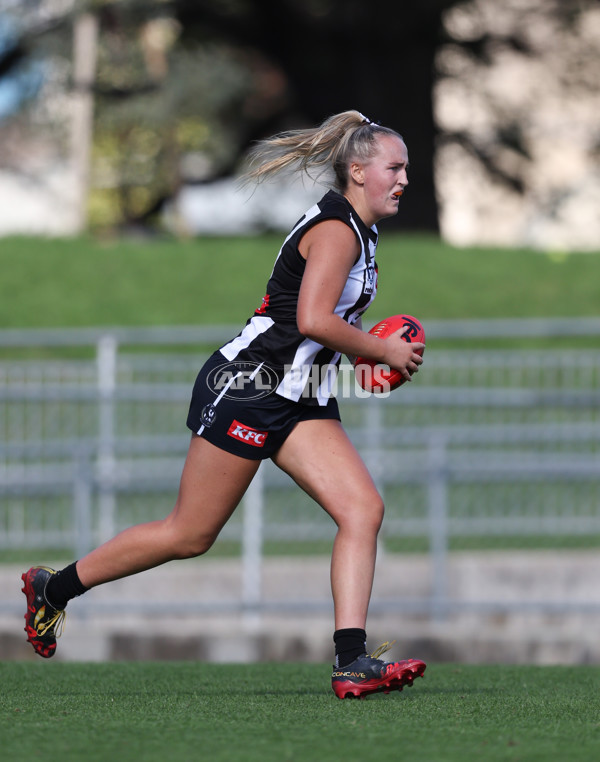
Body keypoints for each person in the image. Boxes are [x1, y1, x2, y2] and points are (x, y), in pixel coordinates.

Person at [21, 109, 426, 699]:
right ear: (358, 171)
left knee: (362, 510)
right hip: (249, 386)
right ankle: (53, 589)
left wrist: (368, 354)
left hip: (300, 395)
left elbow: (319, 327)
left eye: (407, 168)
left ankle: (351, 661)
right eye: (396, 167)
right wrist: (380, 351)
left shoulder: (363, 232)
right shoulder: (338, 230)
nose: (405, 178)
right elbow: (312, 318)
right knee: (189, 534)